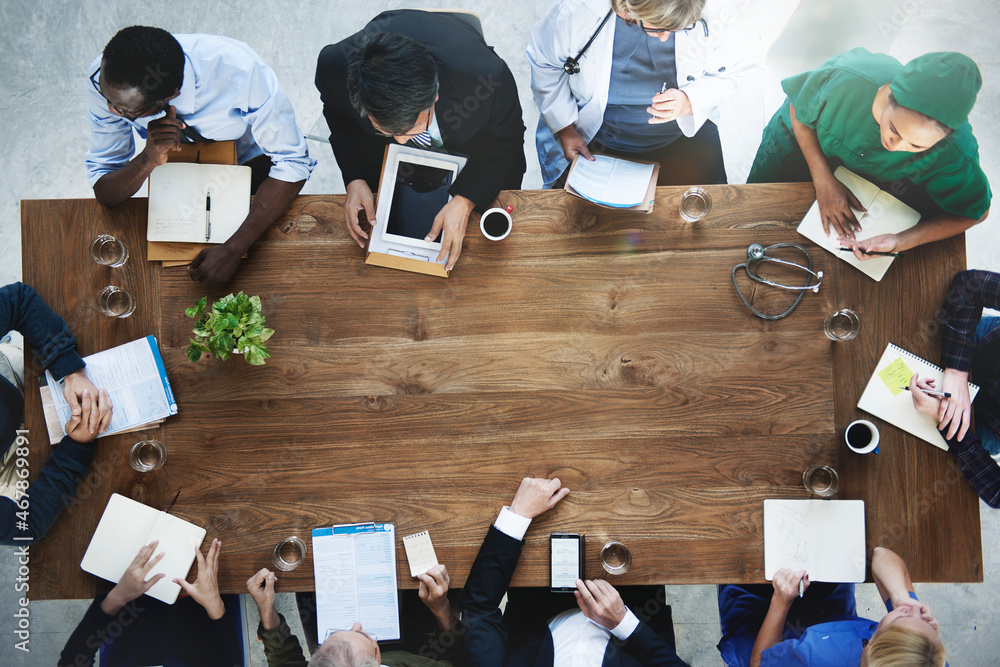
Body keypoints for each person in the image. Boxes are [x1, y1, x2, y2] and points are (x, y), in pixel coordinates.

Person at [86, 26, 316, 285]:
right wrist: (146, 160)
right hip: (170, 175)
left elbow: (293, 163)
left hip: (247, 164)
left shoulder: (241, 72)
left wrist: (234, 248)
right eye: (108, 100)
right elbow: (105, 189)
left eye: (124, 111)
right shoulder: (111, 81)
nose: (109, 109)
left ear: (172, 97)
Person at [315, 10, 527, 272]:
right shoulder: (333, 68)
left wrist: (465, 199)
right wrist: (355, 177)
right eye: (386, 130)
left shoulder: (488, 76)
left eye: (414, 126)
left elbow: (507, 141)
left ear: (434, 93)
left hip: (474, 149)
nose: (402, 141)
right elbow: (339, 119)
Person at [748, 48, 990, 258]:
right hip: (799, 144)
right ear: (890, 93)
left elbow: (975, 212)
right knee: (753, 219)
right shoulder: (848, 75)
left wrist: (900, 241)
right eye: (894, 129)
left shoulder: (956, 151)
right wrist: (822, 178)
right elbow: (798, 105)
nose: (895, 146)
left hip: (865, 184)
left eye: (916, 147)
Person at [527, 0, 756, 188]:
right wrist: (565, 129)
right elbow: (544, 63)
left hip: (678, 141)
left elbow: (735, 69)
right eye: (657, 26)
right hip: (593, 142)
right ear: (625, 9)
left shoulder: (716, 9)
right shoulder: (580, 9)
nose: (666, 37)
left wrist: (689, 101)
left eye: (679, 27)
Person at [459, 476, 687, 665]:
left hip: (536, 597)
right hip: (634, 599)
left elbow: (480, 607)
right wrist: (622, 622)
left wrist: (518, 514)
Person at [0, 282, 112, 545]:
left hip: (12, 382)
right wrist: (76, 447)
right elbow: (26, 524)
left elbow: (20, 300)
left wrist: (70, 371)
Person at [716, 546, 945, 666]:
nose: (915, 610)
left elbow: (759, 663)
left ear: (871, 646)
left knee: (731, 560)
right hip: (832, 618)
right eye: (929, 626)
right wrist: (901, 598)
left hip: (761, 629)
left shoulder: (817, 659)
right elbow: (882, 555)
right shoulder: (921, 658)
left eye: (904, 616)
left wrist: (781, 600)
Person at [59, 538, 242, 667]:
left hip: (132, 616)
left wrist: (118, 596)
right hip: (201, 617)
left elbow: (72, 660)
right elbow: (231, 661)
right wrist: (214, 604)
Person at [905, 269, 1000, 508]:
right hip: (981, 346)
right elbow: (971, 285)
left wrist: (945, 418)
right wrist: (957, 371)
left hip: (987, 426)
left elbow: (997, 491)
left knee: (915, 456)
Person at [247, 563, 464, 665]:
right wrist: (442, 609)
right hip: (424, 651)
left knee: (310, 576)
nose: (357, 624)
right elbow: (459, 657)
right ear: (378, 659)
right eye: (363, 635)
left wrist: (267, 610)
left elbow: (285, 662)